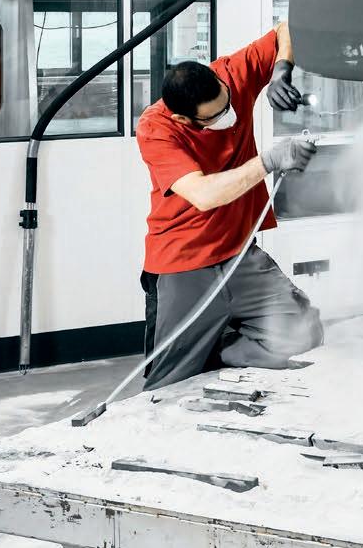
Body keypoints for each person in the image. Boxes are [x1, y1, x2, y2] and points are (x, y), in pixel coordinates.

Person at [134, 19, 322, 388]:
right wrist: (270, 160)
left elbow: (288, 26)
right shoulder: (157, 129)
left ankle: (219, 353)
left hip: (240, 254)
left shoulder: (231, 75)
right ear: (184, 118)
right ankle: (197, 359)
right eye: (216, 116)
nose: (229, 116)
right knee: (169, 380)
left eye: (227, 103)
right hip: (184, 263)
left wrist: (281, 70)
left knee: (304, 333)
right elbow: (204, 195)